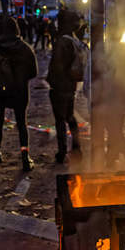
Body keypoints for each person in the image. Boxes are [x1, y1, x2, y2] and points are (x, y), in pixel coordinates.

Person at [0, 16, 38, 171]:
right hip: (19, 91)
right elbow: (33, 72)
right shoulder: (24, 48)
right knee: (22, 124)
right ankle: (24, 155)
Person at [46, 9, 86, 163]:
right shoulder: (73, 40)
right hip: (70, 85)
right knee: (70, 117)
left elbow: (57, 66)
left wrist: (52, 80)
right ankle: (77, 149)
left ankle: (62, 152)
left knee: (60, 120)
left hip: (60, 86)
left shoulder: (62, 41)